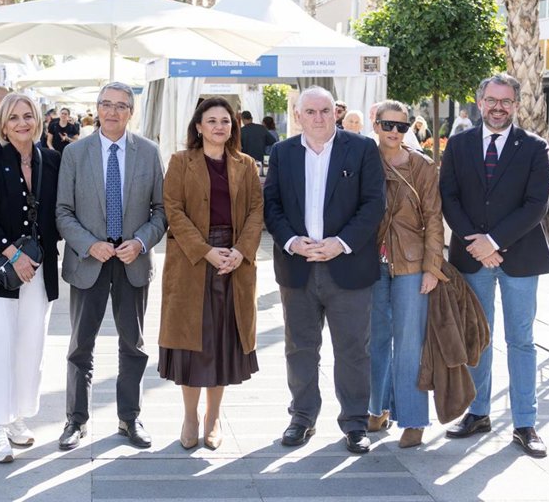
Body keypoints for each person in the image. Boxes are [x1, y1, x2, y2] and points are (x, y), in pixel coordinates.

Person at [263, 86, 385, 454]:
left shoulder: (362, 148)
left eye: (325, 110)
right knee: (300, 348)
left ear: (336, 112)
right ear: (298, 116)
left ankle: (355, 423)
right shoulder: (282, 152)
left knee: (353, 350)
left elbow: (373, 204)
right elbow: (271, 205)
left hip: (348, 266)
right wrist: (292, 241)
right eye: (311, 112)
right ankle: (302, 417)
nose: (318, 118)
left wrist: (341, 243)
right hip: (297, 266)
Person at [439, 73, 549, 458]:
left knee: (520, 340)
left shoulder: (534, 147)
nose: (498, 107)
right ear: (480, 102)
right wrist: (478, 243)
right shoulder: (458, 145)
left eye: (506, 101)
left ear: (516, 105)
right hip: (472, 256)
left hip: (520, 257)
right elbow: (449, 198)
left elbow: (536, 204)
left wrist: (494, 241)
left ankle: (525, 423)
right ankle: (478, 412)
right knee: (478, 336)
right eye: (492, 100)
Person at [56, 81, 167, 450]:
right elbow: (63, 211)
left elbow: (161, 211)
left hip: (132, 261)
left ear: (131, 112)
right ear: (97, 108)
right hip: (89, 261)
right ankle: (76, 420)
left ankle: (129, 418)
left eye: (121, 105)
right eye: (106, 104)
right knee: (80, 346)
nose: (112, 111)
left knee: (133, 344)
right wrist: (90, 244)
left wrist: (140, 242)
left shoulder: (149, 152)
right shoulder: (75, 153)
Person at [160, 97, 263, 450]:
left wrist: (240, 251)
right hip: (193, 261)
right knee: (192, 343)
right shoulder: (180, 161)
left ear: (233, 127)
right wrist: (205, 251)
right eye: (212, 120)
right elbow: (173, 210)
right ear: (199, 126)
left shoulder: (245, 165)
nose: (220, 126)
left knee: (222, 343)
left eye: (226, 121)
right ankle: (190, 417)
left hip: (234, 262)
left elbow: (256, 211)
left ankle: (213, 417)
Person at [0, 92, 62, 463]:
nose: (22, 123)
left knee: (29, 347)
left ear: (37, 120)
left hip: (39, 271)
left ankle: (17, 416)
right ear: (3, 125)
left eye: (28, 116)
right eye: (14, 118)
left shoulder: (51, 160)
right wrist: (14, 254)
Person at [367, 100, 447, 449]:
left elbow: (434, 219)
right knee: (375, 339)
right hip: (370, 262)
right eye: (388, 125)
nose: (394, 132)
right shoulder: (363, 161)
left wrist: (432, 267)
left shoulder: (422, 166)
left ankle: (413, 419)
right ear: (376, 125)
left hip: (413, 263)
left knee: (409, 342)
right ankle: (377, 407)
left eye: (401, 127)